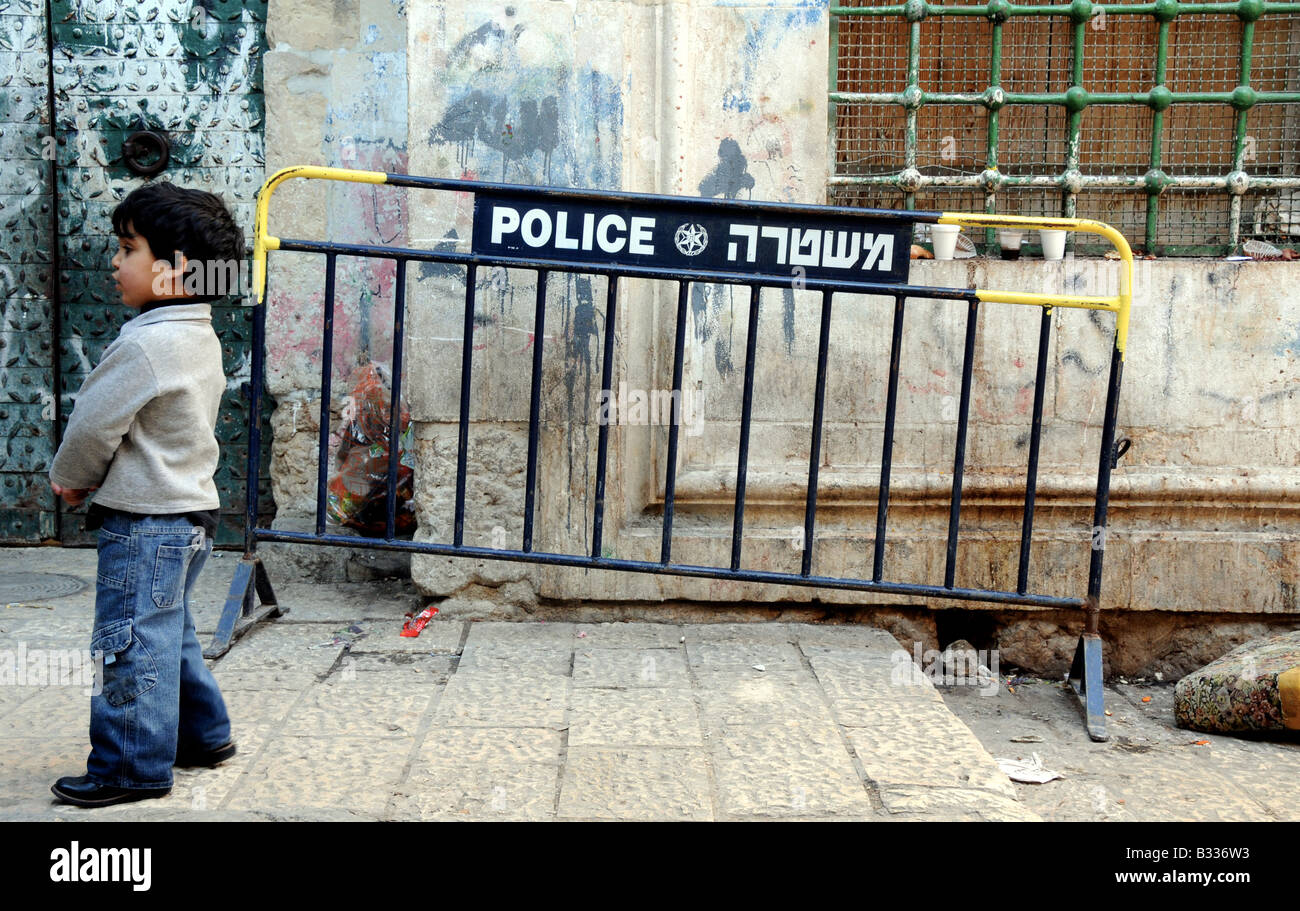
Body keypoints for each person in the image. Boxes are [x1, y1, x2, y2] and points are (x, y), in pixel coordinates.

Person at [48, 182, 244, 808]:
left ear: (176, 270)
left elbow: (93, 424)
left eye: (128, 248)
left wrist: (72, 478)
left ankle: (130, 762)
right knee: (169, 633)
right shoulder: (199, 333)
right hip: (190, 516)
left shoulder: (143, 343)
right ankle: (203, 734)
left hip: (145, 520)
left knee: (128, 641)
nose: (115, 261)